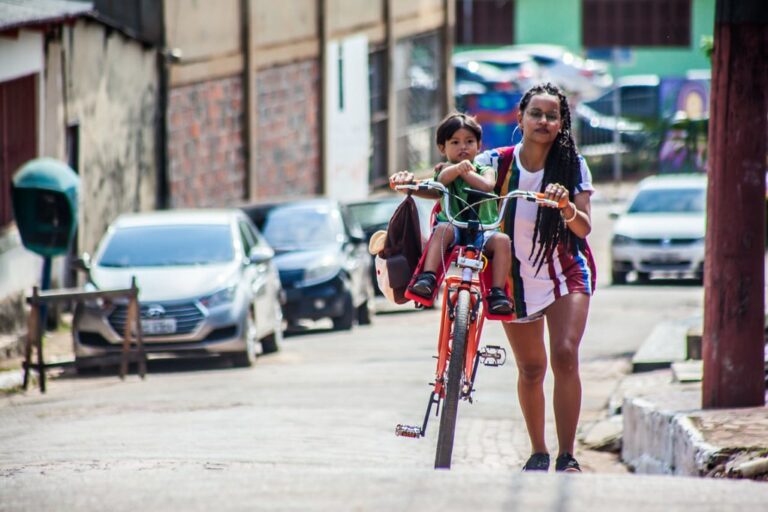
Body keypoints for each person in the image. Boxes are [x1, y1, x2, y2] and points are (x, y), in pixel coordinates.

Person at [390, 83, 595, 473]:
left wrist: (566, 206)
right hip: (512, 278)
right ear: (520, 118)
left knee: (565, 355)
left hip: (564, 273)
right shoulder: (496, 161)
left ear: (561, 123)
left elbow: (583, 228)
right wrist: (410, 183)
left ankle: (568, 454)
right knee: (531, 369)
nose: (544, 121)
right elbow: (449, 182)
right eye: (536, 113)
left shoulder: (572, 166)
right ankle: (538, 451)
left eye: (553, 116)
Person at [408, 112, 513, 315]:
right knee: (441, 230)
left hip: (484, 229)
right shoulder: (446, 170)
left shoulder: (485, 170)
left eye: (469, 141)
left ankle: (497, 292)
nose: (463, 147)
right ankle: (428, 278)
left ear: (478, 145)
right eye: (455, 142)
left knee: (503, 241)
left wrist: (468, 172)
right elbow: (441, 181)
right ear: (442, 148)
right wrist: (456, 169)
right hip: (454, 226)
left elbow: (487, 185)